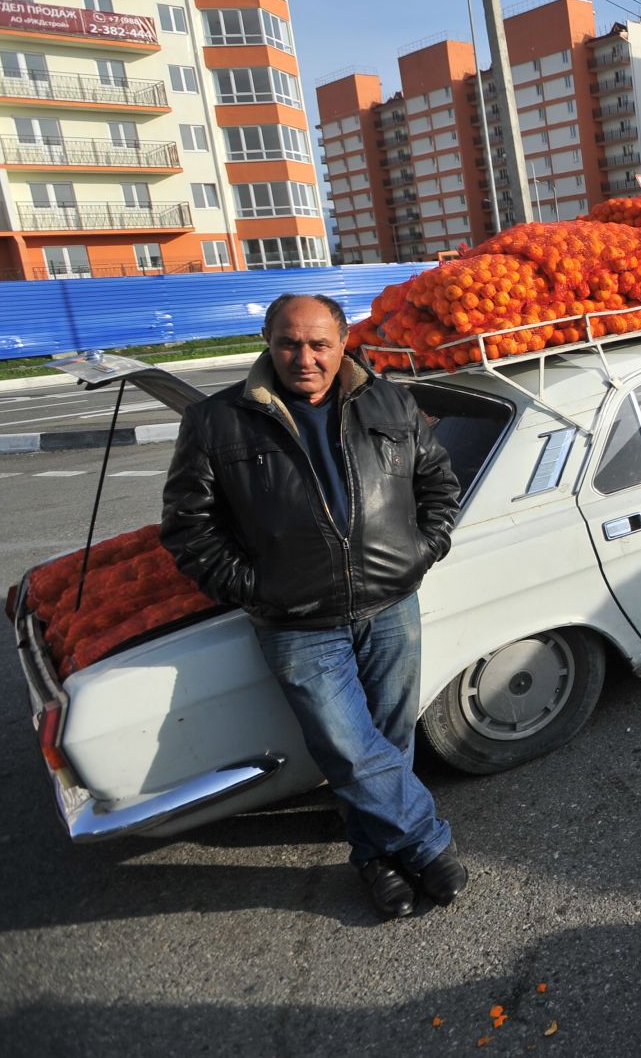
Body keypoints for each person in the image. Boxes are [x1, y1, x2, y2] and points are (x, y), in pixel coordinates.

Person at [162, 294, 466, 921]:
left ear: (343, 340)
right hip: (297, 622)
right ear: (267, 341)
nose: (305, 357)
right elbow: (189, 529)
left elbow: (438, 484)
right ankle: (426, 843)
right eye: (289, 343)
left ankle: (376, 857)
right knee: (349, 750)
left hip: (390, 605)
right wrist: (257, 587)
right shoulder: (218, 421)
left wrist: (421, 551)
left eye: (319, 343)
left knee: (389, 740)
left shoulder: (389, 400)